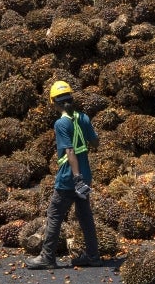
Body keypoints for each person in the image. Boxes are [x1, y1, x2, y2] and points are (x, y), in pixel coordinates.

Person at [26, 80, 102, 269]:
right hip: (85, 176)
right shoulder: (83, 118)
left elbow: (69, 152)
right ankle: (93, 256)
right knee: (85, 217)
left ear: (53, 102)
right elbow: (95, 143)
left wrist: (75, 178)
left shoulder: (61, 124)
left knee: (54, 215)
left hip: (69, 179)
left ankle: (47, 257)